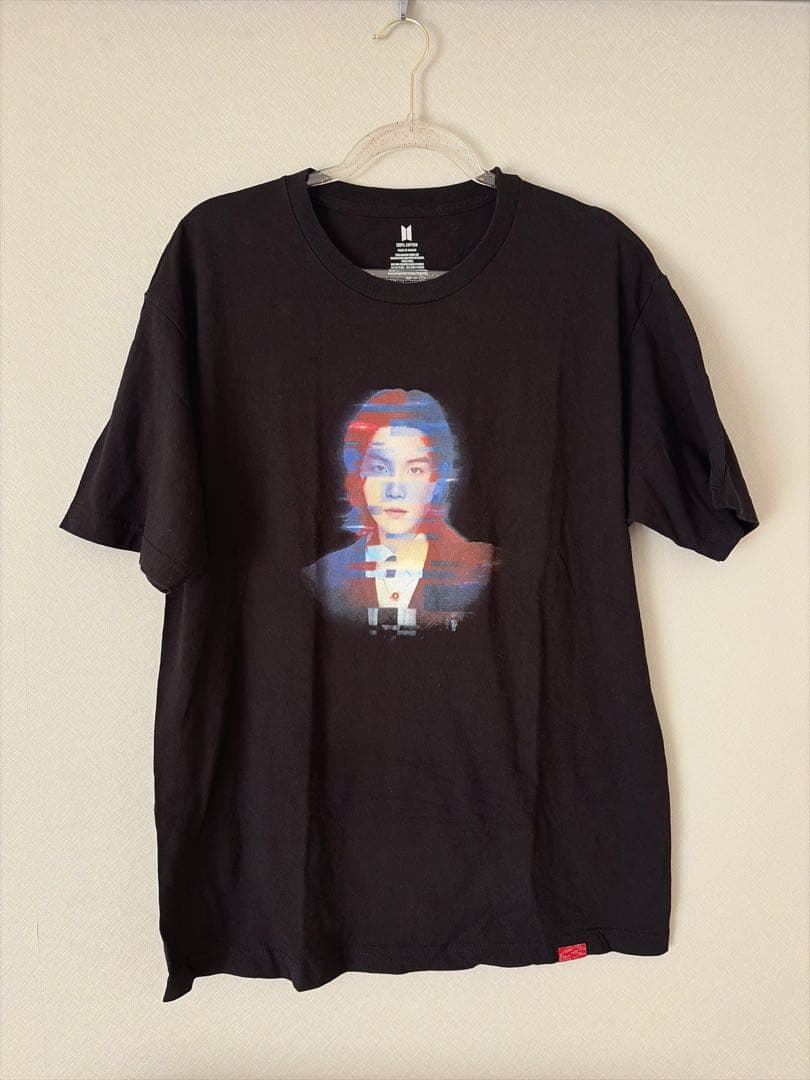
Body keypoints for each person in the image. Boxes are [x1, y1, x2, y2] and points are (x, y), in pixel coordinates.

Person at [300, 388, 499, 634]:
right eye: (380, 468)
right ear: (359, 477)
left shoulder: (482, 569)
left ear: (436, 483)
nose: (395, 490)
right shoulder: (322, 579)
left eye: (414, 470)